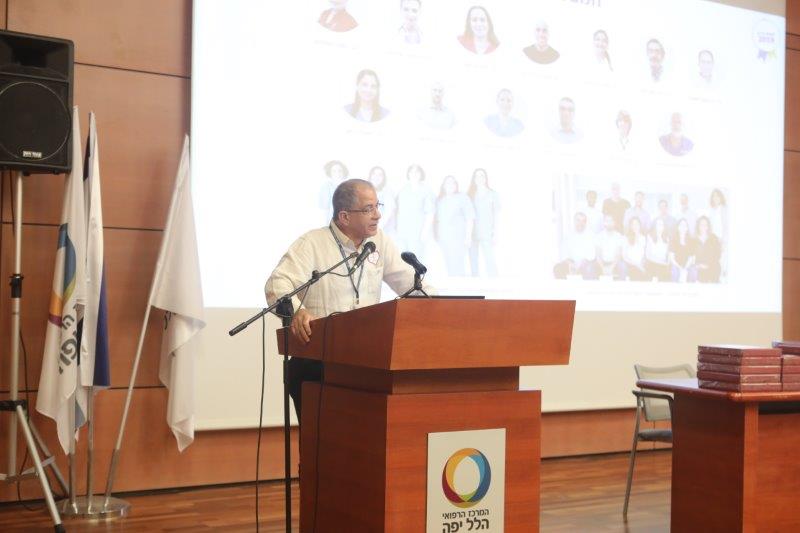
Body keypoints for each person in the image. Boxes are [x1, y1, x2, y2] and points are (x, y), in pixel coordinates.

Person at [265, 179, 429, 419]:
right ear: (344, 217)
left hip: (366, 364)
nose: (378, 215)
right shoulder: (313, 243)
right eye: (368, 209)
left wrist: (441, 304)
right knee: (323, 440)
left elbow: (410, 284)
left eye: (377, 206)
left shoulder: (379, 242)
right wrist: (298, 311)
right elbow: (277, 284)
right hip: (317, 363)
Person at [435, 176, 475, 276]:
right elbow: (437, 221)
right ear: (443, 186)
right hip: (443, 238)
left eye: (453, 183)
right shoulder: (440, 200)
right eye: (448, 183)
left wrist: (468, 237)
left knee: (458, 264)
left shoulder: (463, 198)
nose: (450, 185)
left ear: (456, 185)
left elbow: (470, 218)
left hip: (458, 238)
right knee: (448, 264)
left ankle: (460, 284)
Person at [395, 164, 435, 261]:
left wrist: (425, 232)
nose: (414, 174)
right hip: (402, 231)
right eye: (412, 171)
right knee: (403, 259)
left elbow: (430, 213)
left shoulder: (426, 191)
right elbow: (398, 211)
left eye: (417, 171)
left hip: (418, 231)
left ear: (421, 174)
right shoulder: (403, 190)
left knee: (416, 259)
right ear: (408, 174)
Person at [468, 168, 500, 277]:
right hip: (472, 233)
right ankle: (475, 281)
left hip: (487, 232)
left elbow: (496, 215)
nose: (479, 178)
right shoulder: (470, 195)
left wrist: (495, 233)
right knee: (473, 260)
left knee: (489, 259)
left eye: (482, 175)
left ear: (486, 178)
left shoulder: (492, 194)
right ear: (474, 179)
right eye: (477, 176)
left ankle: (494, 280)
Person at [553, 212, 597, 279]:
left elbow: (591, 255)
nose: (580, 223)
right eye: (578, 220)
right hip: (570, 263)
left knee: (589, 268)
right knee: (557, 268)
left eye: (583, 221)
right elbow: (563, 253)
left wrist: (580, 265)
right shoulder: (568, 236)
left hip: (585, 263)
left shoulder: (591, 235)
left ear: (586, 223)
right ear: (574, 221)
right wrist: (570, 263)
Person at [368, 166, 396, 234]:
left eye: (380, 175)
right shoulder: (365, 190)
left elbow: (388, 213)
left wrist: (377, 228)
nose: (376, 177)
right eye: (374, 174)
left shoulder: (388, 192)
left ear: (383, 178)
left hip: (382, 231)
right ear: (370, 176)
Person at [596, 214, 625, 279]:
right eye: (607, 221)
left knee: (623, 266)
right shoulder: (599, 236)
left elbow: (618, 255)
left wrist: (611, 267)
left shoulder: (618, 236)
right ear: (604, 223)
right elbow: (598, 255)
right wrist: (603, 268)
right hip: (602, 263)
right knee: (591, 268)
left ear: (614, 223)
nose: (609, 223)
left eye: (611, 221)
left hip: (615, 263)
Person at [694, 216, 722, 282]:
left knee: (715, 270)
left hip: (712, 266)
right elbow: (691, 255)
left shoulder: (713, 238)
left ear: (708, 226)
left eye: (705, 225)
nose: (703, 227)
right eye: (701, 224)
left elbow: (718, 254)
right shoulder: (694, 240)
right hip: (699, 267)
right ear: (698, 226)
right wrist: (698, 265)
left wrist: (708, 265)